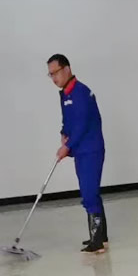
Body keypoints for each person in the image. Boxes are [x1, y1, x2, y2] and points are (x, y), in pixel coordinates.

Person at [47, 54, 108, 254]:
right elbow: (68, 121)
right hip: (81, 151)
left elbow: (81, 124)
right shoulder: (65, 94)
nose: (53, 78)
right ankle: (101, 236)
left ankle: (97, 243)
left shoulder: (80, 92)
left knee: (89, 193)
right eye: (50, 75)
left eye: (55, 73)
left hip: (91, 149)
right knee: (91, 192)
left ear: (67, 69)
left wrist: (67, 146)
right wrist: (64, 134)